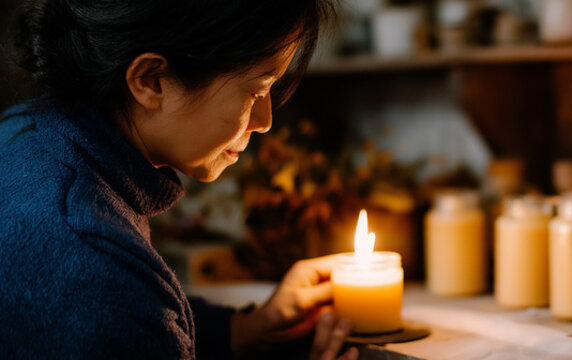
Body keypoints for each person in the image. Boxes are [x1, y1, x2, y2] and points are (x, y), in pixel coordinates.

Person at [0, 1, 358, 359]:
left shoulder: (27, 133)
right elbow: (119, 310)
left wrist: (245, 329)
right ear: (151, 81)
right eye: (256, 92)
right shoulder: (95, 262)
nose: (264, 120)